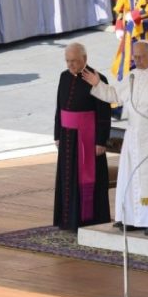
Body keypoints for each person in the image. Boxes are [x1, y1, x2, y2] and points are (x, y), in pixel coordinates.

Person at [82, 41, 148, 236]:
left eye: (140, 56)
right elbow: (114, 95)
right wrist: (97, 84)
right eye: (134, 56)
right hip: (133, 136)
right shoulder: (132, 76)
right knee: (130, 176)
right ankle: (132, 219)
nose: (136, 60)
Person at [53, 43, 112, 231]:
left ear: (84, 59)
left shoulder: (97, 79)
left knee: (86, 181)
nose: (70, 65)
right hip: (67, 137)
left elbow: (104, 114)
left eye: (74, 61)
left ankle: (89, 220)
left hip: (87, 140)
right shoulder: (64, 76)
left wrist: (101, 141)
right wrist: (57, 134)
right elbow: (59, 108)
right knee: (67, 180)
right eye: (67, 61)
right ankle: (68, 221)